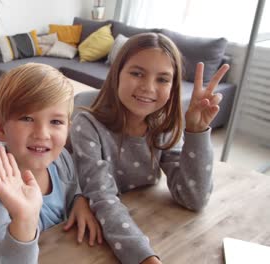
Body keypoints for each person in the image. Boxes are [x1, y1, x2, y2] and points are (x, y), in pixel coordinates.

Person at [69, 33, 230, 264]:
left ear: (173, 86)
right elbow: (102, 197)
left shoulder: (164, 125)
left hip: (145, 220)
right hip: (94, 229)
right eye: (137, 73)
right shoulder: (87, 124)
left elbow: (193, 198)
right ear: (117, 73)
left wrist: (196, 131)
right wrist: (144, 258)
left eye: (163, 79)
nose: (148, 87)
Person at [0, 63, 103, 263]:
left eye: (56, 122)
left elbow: (74, 185)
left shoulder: (61, 158)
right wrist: (24, 220)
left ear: (68, 129)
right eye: (27, 118)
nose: (42, 134)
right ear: (0, 127)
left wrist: (79, 199)